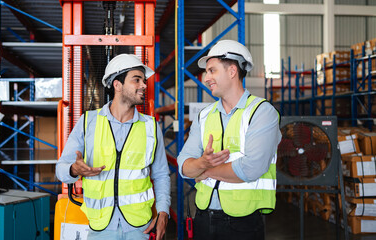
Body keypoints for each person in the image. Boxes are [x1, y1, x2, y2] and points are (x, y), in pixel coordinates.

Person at [56, 54, 170, 240]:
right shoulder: (88, 122)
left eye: (143, 80)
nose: (143, 85)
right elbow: (60, 170)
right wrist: (73, 169)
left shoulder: (151, 126)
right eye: (137, 80)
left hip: (140, 227)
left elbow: (161, 174)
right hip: (101, 228)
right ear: (117, 85)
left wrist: (164, 212)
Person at [177, 40, 281, 240]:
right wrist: (199, 163)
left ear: (232, 71)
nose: (206, 78)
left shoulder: (261, 112)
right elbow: (183, 165)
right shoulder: (205, 115)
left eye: (212, 71)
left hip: (244, 222)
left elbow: (251, 168)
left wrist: (202, 170)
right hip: (203, 218)